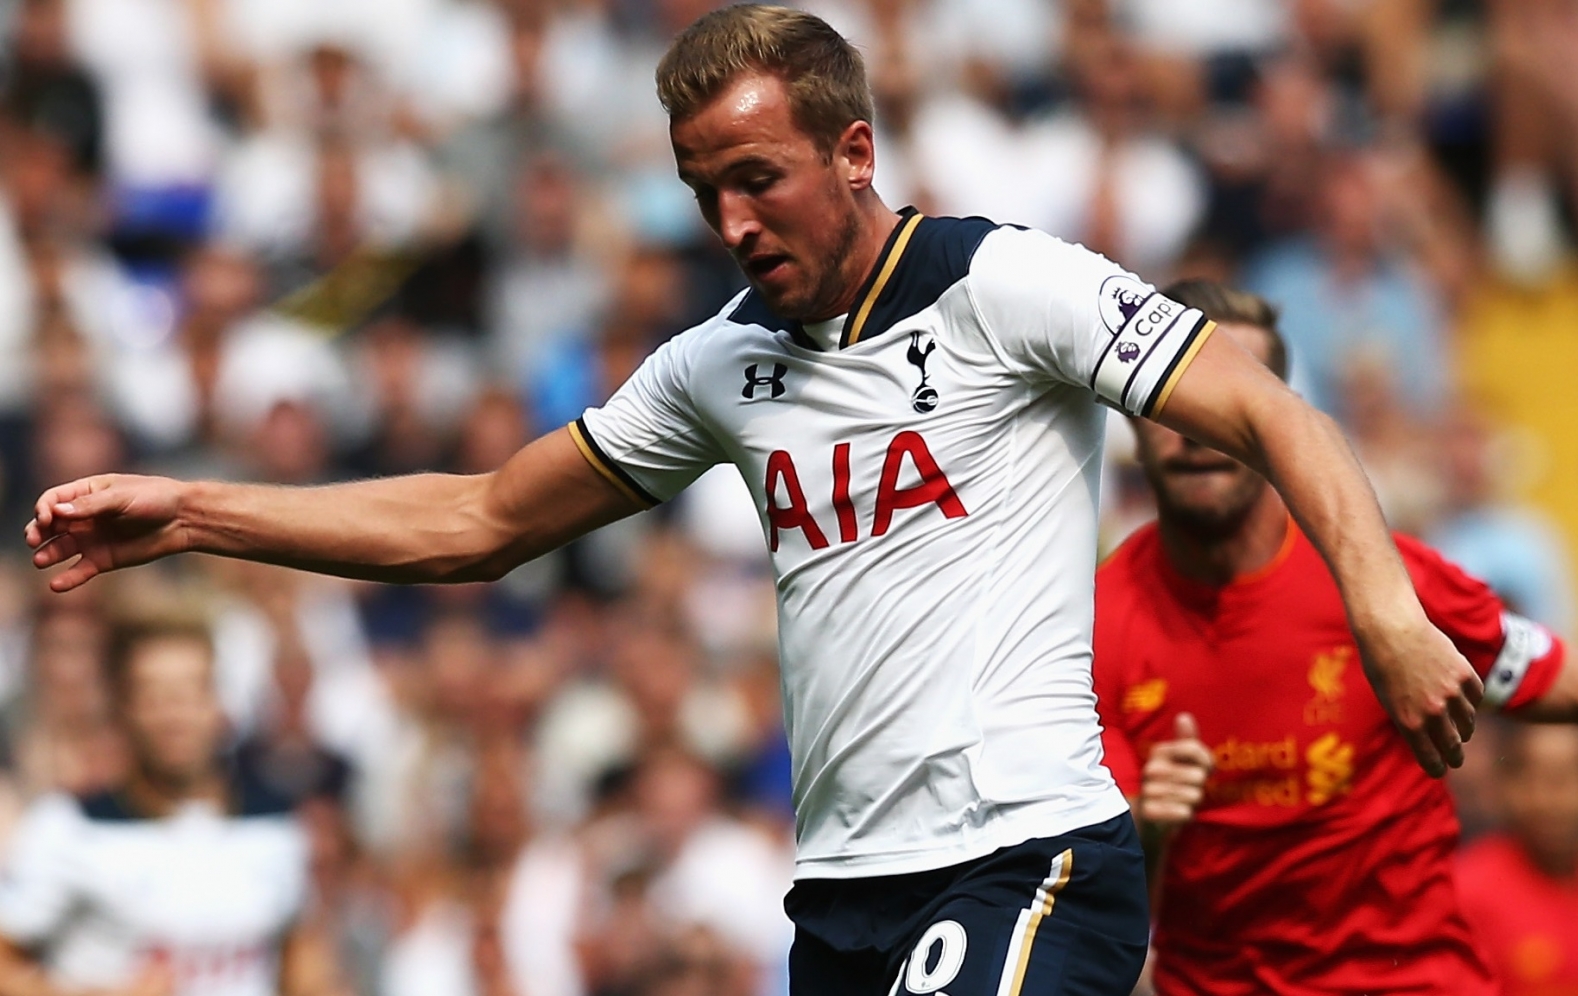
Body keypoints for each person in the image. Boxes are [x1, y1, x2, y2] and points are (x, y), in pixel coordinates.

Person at [26, 7, 1481, 995]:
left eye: (757, 179)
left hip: (1022, 854)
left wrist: (1390, 617)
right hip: (843, 894)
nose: (729, 223)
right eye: (701, 188)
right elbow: (477, 520)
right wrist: (203, 510)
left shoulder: (1002, 285)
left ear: (854, 152)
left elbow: (1268, 406)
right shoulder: (721, 365)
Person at [1093, 278, 1578, 996]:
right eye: (1175, 402)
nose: (1201, 431)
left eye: (1231, 403)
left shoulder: (1386, 583)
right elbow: (1085, 905)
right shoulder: (1095, 624)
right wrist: (1144, 833)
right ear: (1132, 419)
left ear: (1273, 426)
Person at [0, 615, 343, 996]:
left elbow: (303, 959)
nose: (174, 716)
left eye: (190, 692)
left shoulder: (275, 822)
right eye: (153, 696)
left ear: (219, 704)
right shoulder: (69, 827)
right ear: (124, 710)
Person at [1457, 724, 1578, 996]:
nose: (1555, 801)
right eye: (1535, 778)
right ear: (1504, 786)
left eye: (1571, 778)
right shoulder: (1469, 891)